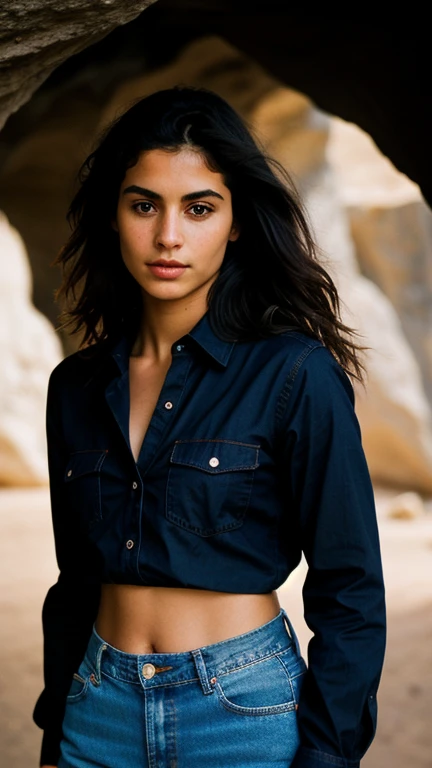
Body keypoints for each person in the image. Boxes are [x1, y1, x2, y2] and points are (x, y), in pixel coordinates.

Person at [33, 85, 386, 768]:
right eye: (144, 205)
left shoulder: (295, 374)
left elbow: (350, 589)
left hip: (241, 715)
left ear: (237, 223)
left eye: (199, 208)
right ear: (113, 216)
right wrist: (56, 735)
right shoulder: (73, 388)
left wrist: (327, 756)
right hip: (96, 713)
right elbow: (76, 582)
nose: (169, 236)